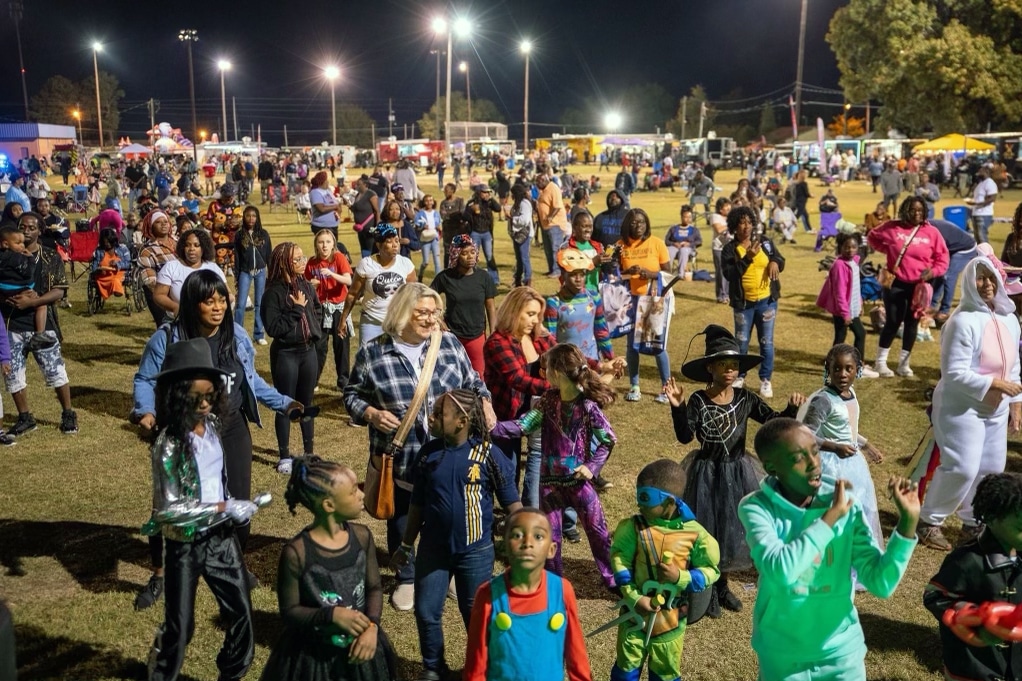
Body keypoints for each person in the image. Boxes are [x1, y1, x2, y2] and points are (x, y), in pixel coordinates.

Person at [131, 269, 300, 609]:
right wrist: (145, 412)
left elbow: (250, 381)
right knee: (170, 504)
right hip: (183, 429)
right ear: (193, 303)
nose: (218, 306)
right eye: (210, 301)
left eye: (222, 299)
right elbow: (145, 379)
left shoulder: (235, 335)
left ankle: (233, 563)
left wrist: (285, 404)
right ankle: (161, 573)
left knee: (239, 500)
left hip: (232, 425)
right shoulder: (168, 337)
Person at [343, 283, 494, 612]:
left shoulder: (449, 343)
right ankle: (407, 576)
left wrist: (485, 402)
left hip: (449, 453)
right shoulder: (373, 353)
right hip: (402, 455)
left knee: (447, 513)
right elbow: (351, 395)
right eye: (422, 312)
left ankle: (448, 571)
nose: (429, 319)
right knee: (402, 516)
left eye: (434, 312)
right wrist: (370, 413)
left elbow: (473, 381)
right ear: (401, 312)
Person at [738, 418, 919, 681]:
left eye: (815, 451)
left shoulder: (845, 504)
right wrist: (829, 519)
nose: (814, 464)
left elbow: (881, 583)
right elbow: (779, 570)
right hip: (783, 654)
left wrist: (907, 525)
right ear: (772, 468)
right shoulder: (757, 507)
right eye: (799, 458)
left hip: (841, 653)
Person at [665, 324, 804, 617]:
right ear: (710, 368)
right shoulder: (699, 400)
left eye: (735, 365)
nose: (730, 370)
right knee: (708, 530)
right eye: (723, 364)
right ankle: (709, 589)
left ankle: (724, 585)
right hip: (705, 474)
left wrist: (791, 410)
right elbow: (684, 437)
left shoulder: (746, 399)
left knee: (731, 527)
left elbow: (772, 421)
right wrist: (678, 406)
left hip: (737, 472)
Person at [144, 338, 261, 681]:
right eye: (199, 397)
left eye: (212, 395)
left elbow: (216, 479)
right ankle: (161, 673)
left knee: (241, 613)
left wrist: (236, 507)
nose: (208, 403)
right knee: (182, 628)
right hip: (185, 544)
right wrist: (224, 506)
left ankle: (232, 673)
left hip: (222, 540)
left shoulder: (212, 427)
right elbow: (168, 510)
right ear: (180, 394)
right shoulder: (168, 444)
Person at [390, 390, 521, 681]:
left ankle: (485, 668)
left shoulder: (489, 455)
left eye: (439, 413)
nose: (431, 418)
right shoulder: (428, 454)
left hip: (475, 553)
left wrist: (519, 548)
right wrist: (406, 544)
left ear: (462, 421)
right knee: (425, 612)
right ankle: (434, 668)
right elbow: (417, 505)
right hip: (433, 551)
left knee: (475, 615)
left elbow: (515, 507)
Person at [915, 256, 1022, 551]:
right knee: (962, 466)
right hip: (961, 407)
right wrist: (994, 384)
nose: (987, 284)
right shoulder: (961, 321)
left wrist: (1015, 402)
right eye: (980, 278)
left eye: (991, 278)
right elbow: (954, 373)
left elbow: (1013, 367)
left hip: (996, 409)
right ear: (968, 281)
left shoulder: (1009, 320)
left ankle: (973, 522)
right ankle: (928, 520)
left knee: (990, 467)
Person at [492, 344, 618, 589]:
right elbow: (523, 426)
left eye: (546, 367)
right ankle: (553, 587)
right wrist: (492, 427)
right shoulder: (547, 401)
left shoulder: (587, 407)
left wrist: (592, 467)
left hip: (580, 484)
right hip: (549, 485)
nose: (543, 372)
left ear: (558, 372)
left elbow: (609, 439)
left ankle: (615, 581)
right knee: (550, 538)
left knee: (598, 533)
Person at [259, 456, 396, 681]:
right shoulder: (297, 553)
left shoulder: (362, 537)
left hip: (360, 649)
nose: (361, 494)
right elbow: (290, 611)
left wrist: (372, 626)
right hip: (314, 660)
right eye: (353, 491)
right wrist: (331, 615)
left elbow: (373, 588)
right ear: (329, 505)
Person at [608, 459, 720, 681]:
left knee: (665, 673)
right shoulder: (634, 528)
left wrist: (680, 577)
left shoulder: (695, 534)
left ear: (669, 502)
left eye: (645, 498)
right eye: (638, 495)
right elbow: (620, 557)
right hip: (634, 618)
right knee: (625, 670)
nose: (639, 504)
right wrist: (633, 597)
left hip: (671, 621)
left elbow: (711, 570)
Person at [463, 508, 592, 681]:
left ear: (551, 549)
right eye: (517, 535)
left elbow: (576, 656)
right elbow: (475, 665)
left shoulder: (562, 591)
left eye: (538, 536)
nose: (527, 542)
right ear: (504, 546)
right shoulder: (488, 595)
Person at [797, 344, 885, 590]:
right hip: (832, 468)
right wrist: (834, 447)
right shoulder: (823, 400)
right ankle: (825, 566)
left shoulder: (851, 394)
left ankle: (852, 568)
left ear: (858, 370)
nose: (843, 374)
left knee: (857, 515)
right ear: (828, 370)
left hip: (854, 465)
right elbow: (806, 435)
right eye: (837, 369)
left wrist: (866, 445)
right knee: (833, 516)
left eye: (849, 368)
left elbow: (849, 430)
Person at [924, 472, 1022, 681]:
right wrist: (970, 615)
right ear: (992, 517)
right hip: (975, 666)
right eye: (1020, 528)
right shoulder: (967, 560)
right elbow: (935, 595)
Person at [3, 212, 76, 435]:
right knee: (13, 374)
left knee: (55, 371)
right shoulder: (3, 256)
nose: (26, 230)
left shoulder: (50, 257)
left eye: (31, 227)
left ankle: (68, 413)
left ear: (39, 231)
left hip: (43, 324)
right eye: (22, 226)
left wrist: (33, 301)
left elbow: (59, 291)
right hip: (11, 323)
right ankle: (25, 417)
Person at [867, 196, 949, 378]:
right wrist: (886, 250)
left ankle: (904, 364)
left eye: (920, 210)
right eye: (913, 210)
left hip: (919, 287)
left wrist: (932, 272)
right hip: (895, 283)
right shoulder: (892, 227)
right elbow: (872, 236)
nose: (917, 213)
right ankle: (880, 363)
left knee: (912, 323)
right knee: (893, 321)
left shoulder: (932, 232)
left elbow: (942, 259)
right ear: (905, 210)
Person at [484, 286, 556, 487]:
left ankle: (524, 512)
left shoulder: (537, 337)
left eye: (537, 315)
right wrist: (556, 387)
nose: (535, 320)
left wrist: (600, 365)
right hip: (505, 417)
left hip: (534, 413)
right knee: (507, 473)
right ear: (514, 312)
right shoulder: (497, 342)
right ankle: (509, 513)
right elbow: (517, 379)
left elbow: (563, 354)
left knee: (538, 467)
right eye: (530, 314)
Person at [262, 242, 323, 475]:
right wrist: (296, 310)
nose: (302, 262)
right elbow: (273, 328)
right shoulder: (273, 293)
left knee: (307, 404)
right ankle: (284, 456)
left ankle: (308, 453)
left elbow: (316, 309)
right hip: (286, 355)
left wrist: (315, 331)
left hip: (308, 352)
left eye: (302, 257)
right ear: (285, 263)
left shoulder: (306, 285)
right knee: (285, 404)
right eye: (297, 259)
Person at [720, 205, 786, 397]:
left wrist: (775, 262)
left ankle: (765, 379)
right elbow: (730, 274)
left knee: (766, 342)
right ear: (734, 226)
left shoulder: (764, 242)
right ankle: (740, 376)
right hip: (744, 305)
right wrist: (747, 258)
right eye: (741, 223)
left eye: (749, 222)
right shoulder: (729, 249)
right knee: (741, 342)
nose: (746, 227)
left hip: (767, 302)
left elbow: (779, 258)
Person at [617, 208, 672, 403]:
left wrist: (650, 274)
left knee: (658, 344)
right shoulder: (621, 246)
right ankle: (634, 386)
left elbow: (669, 272)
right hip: (631, 299)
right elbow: (615, 276)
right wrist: (627, 271)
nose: (638, 225)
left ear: (647, 223)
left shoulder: (657, 243)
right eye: (633, 222)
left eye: (641, 222)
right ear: (627, 225)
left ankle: (666, 387)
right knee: (632, 344)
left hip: (654, 299)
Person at [338, 223, 417, 347]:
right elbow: (353, 294)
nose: (395, 245)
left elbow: (414, 294)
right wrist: (343, 319)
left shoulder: (406, 264)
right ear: (379, 245)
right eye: (389, 241)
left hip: (398, 322)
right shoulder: (366, 264)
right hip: (371, 321)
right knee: (367, 361)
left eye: (397, 240)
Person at [815, 233, 881, 377]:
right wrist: (846, 313)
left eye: (853, 247)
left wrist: (860, 304)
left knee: (840, 337)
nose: (850, 250)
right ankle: (859, 367)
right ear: (841, 248)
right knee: (860, 333)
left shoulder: (855, 262)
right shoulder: (840, 265)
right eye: (846, 247)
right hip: (844, 310)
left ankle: (830, 367)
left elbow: (855, 287)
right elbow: (839, 292)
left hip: (852, 308)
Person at [431, 235, 496, 377]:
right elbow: (428, 297)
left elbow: (490, 307)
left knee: (479, 375)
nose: (470, 257)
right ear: (455, 255)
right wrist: (438, 319)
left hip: (477, 336)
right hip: (452, 335)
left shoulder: (483, 277)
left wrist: (493, 332)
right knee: (452, 375)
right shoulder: (445, 277)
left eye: (472, 252)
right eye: (464, 253)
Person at [304, 229, 353, 392]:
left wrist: (332, 274)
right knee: (318, 346)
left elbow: (348, 279)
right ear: (316, 245)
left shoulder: (339, 258)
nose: (324, 246)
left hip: (339, 307)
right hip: (320, 309)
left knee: (341, 346)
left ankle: (343, 381)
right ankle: (313, 380)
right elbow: (305, 283)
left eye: (328, 242)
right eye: (321, 242)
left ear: (333, 245)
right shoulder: (312, 262)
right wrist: (311, 284)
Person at [0, 225, 53, 353]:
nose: (22, 246)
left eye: (23, 242)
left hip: (4, 289)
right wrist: (30, 259)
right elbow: (28, 272)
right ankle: (40, 334)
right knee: (41, 305)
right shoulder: (16, 257)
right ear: (6, 244)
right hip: (18, 289)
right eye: (18, 243)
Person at [153, 229, 227, 318]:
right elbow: (159, 295)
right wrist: (175, 307)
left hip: (209, 320)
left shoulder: (213, 267)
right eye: (188, 245)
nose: (191, 249)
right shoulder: (170, 267)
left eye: (196, 245)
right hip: (178, 320)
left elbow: (227, 293)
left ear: (203, 248)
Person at [233, 206, 271, 346]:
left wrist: (270, 273)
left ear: (257, 217)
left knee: (259, 303)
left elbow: (269, 254)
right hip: (245, 272)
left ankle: (259, 334)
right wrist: (237, 275)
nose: (251, 218)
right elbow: (237, 256)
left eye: (253, 216)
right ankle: (237, 334)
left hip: (261, 271)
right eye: (248, 215)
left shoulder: (263, 234)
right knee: (241, 304)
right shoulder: (239, 235)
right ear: (244, 217)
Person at [929, 218, 978, 323]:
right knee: (939, 274)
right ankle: (931, 306)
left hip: (965, 248)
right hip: (950, 247)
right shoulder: (925, 227)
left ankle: (944, 311)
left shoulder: (933, 231)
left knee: (948, 277)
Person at [137, 211, 178, 328]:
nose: (164, 224)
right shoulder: (147, 251)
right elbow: (150, 280)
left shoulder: (180, 242)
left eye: (165, 221)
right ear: (151, 226)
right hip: (163, 296)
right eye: (158, 222)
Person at [464, 184, 502, 283]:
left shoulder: (489, 202)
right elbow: (465, 216)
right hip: (475, 232)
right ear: (479, 192)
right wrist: (472, 210)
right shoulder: (472, 202)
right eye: (484, 192)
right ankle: (473, 278)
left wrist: (491, 199)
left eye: (488, 192)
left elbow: (498, 209)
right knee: (473, 256)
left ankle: (494, 279)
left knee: (489, 256)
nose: (486, 194)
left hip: (486, 233)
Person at [536, 169, 569, 277]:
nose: (537, 184)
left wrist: (550, 216)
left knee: (555, 248)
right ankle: (551, 269)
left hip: (555, 224)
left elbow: (557, 206)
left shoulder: (553, 188)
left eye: (539, 182)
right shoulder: (544, 190)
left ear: (545, 180)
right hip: (545, 225)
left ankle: (557, 271)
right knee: (548, 249)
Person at [89, 227, 131, 301]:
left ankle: (117, 289)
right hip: (103, 276)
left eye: (109, 242)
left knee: (115, 280)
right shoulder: (99, 251)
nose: (107, 244)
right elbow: (94, 266)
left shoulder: (122, 248)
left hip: (118, 274)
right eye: (105, 242)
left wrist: (118, 264)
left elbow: (128, 263)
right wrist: (98, 270)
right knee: (101, 280)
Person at [664, 204, 702, 276]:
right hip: (675, 248)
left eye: (689, 217)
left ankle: (681, 274)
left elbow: (699, 241)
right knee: (670, 250)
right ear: (681, 217)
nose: (688, 219)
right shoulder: (674, 228)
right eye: (685, 217)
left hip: (688, 250)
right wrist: (673, 244)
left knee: (684, 250)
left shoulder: (694, 230)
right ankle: (667, 273)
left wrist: (689, 244)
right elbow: (666, 241)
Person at [508, 183, 534, 287]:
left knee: (524, 257)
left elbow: (525, 220)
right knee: (519, 258)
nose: (511, 196)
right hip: (516, 234)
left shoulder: (525, 203)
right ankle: (518, 279)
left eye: (512, 194)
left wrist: (511, 219)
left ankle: (528, 279)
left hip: (525, 235)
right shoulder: (517, 203)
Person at [350, 175, 380, 258]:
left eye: (359, 184)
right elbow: (356, 209)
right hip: (360, 228)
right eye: (356, 184)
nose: (357, 186)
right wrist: (349, 206)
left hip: (369, 227)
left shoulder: (371, 194)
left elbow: (377, 210)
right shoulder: (357, 195)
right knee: (363, 248)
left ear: (365, 185)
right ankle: (365, 263)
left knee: (369, 247)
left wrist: (377, 225)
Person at [414, 194, 442, 281]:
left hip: (434, 238)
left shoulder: (436, 213)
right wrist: (422, 227)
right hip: (425, 239)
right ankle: (421, 274)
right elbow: (416, 227)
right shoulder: (420, 214)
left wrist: (439, 229)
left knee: (437, 260)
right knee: (425, 262)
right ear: (424, 202)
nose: (429, 202)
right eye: (427, 200)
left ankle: (438, 279)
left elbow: (439, 224)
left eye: (431, 200)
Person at [710, 197, 732, 304]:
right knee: (721, 271)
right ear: (720, 208)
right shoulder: (715, 216)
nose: (728, 208)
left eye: (729, 205)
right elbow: (718, 229)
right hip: (719, 248)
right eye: (725, 206)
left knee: (729, 271)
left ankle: (728, 294)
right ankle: (721, 295)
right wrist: (730, 224)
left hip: (730, 248)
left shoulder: (731, 217)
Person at [968, 166, 998, 244]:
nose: (978, 173)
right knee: (977, 237)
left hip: (984, 214)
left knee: (982, 237)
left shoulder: (990, 183)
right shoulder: (981, 183)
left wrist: (978, 204)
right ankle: (980, 254)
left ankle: (987, 255)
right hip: (976, 213)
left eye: (981, 172)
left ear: (987, 172)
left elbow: (992, 198)